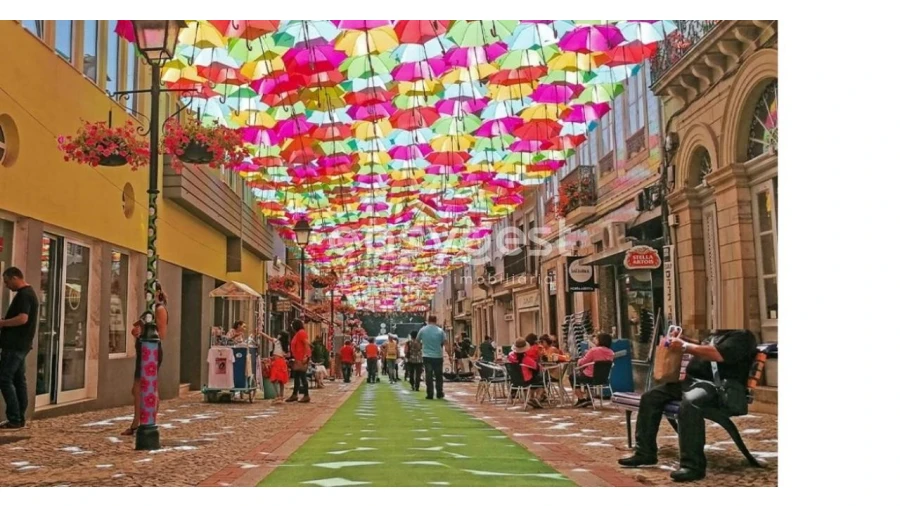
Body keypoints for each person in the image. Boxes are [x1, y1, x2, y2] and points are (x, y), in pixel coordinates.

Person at [618, 329, 758, 482]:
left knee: (691, 404)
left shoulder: (742, 337)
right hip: (691, 382)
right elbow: (703, 347)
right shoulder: (716, 335)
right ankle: (645, 453)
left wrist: (684, 345)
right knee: (650, 397)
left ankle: (693, 466)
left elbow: (718, 354)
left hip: (717, 387)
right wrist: (684, 340)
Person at [122, 281, 168, 435]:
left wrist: (143, 333)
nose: (146, 293)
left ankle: (147, 421)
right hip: (142, 351)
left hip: (152, 353)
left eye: (149, 290)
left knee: (149, 387)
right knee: (136, 389)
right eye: (144, 290)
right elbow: (138, 327)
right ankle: (137, 421)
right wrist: (136, 331)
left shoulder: (159, 309)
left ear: (158, 292)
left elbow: (161, 334)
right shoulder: (148, 310)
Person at [0, 267, 39, 430]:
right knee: (18, 380)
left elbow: (23, 318)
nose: (7, 285)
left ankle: (15, 418)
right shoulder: (29, 294)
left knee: (4, 378)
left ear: (15, 277)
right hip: (20, 345)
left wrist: (2, 323)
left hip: (15, 345)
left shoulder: (24, 295)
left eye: (7, 281)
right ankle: (19, 417)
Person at [570, 333, 616, 408]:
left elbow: (583, 362)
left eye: (597, 338)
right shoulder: (611, 352)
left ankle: (581, 399)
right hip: (603, 378)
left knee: (573, 376)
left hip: (590, 377)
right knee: (583, 376)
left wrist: (579, 360)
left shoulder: (594, 350)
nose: (595, 340)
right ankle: (589, 398)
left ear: (600, 340)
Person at [507, 338, 545, 409]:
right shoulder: (526, 359)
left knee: (533, 378)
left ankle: (529, 398)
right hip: (526, 381)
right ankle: (537, 398)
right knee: (542, 381)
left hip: (514, 381)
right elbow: (538, 368)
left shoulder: (510, 356)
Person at [418, 315, 446, 400]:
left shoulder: (422, 330)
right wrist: (450, 354)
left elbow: (417, 340)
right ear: (436, 320)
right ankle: (439, 393)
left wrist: (422, 347)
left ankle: (430, 393)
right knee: (438, 375)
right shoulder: (440, 331)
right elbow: (445, 343)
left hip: (427, 356)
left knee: (428, 375)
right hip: (438, 356)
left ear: (428, 320)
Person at [259, 331, 290, 403]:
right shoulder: (286, 345)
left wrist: (261, 332)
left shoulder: (277, 341)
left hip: (277, 362)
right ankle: (281, 396)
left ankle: (278, 395)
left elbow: (268, 338)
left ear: (281, 336)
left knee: (273, 379)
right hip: (282, 362)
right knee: (281, 380)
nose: (278, 335)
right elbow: (288, 355)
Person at [287, 319, 311, 403]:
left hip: (301, 359)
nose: (292, 327)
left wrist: (306, 356)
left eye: (293, 325)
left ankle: (306, 395)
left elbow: (306, 344)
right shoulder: (298, 333)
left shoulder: (301, 333)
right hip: (298, 359)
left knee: (302, 377)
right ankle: (294, 394)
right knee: (297, 377)